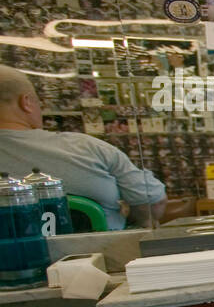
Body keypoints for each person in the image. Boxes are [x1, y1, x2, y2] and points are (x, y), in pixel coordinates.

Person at [0, 65, 167, 229]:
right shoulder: (88, 149)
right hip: (102, 252)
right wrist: (134, 222)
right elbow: (152, 201)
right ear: (26, 102)